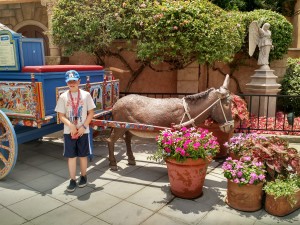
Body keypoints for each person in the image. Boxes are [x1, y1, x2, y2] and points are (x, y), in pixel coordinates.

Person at [55, 70, 96, 192]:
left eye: (74, 81)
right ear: (66, 82)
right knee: (71, 157)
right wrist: (71, 126)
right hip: (70, 132)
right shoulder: (63, 96)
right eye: (69, 81)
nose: (72, 83)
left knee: (83, 156)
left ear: (79, 81)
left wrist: (83, 126)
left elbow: (91, 112)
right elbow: (61, 115)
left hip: (83, 131)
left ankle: (83, 176)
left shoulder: (86, 95)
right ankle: (72, 179)